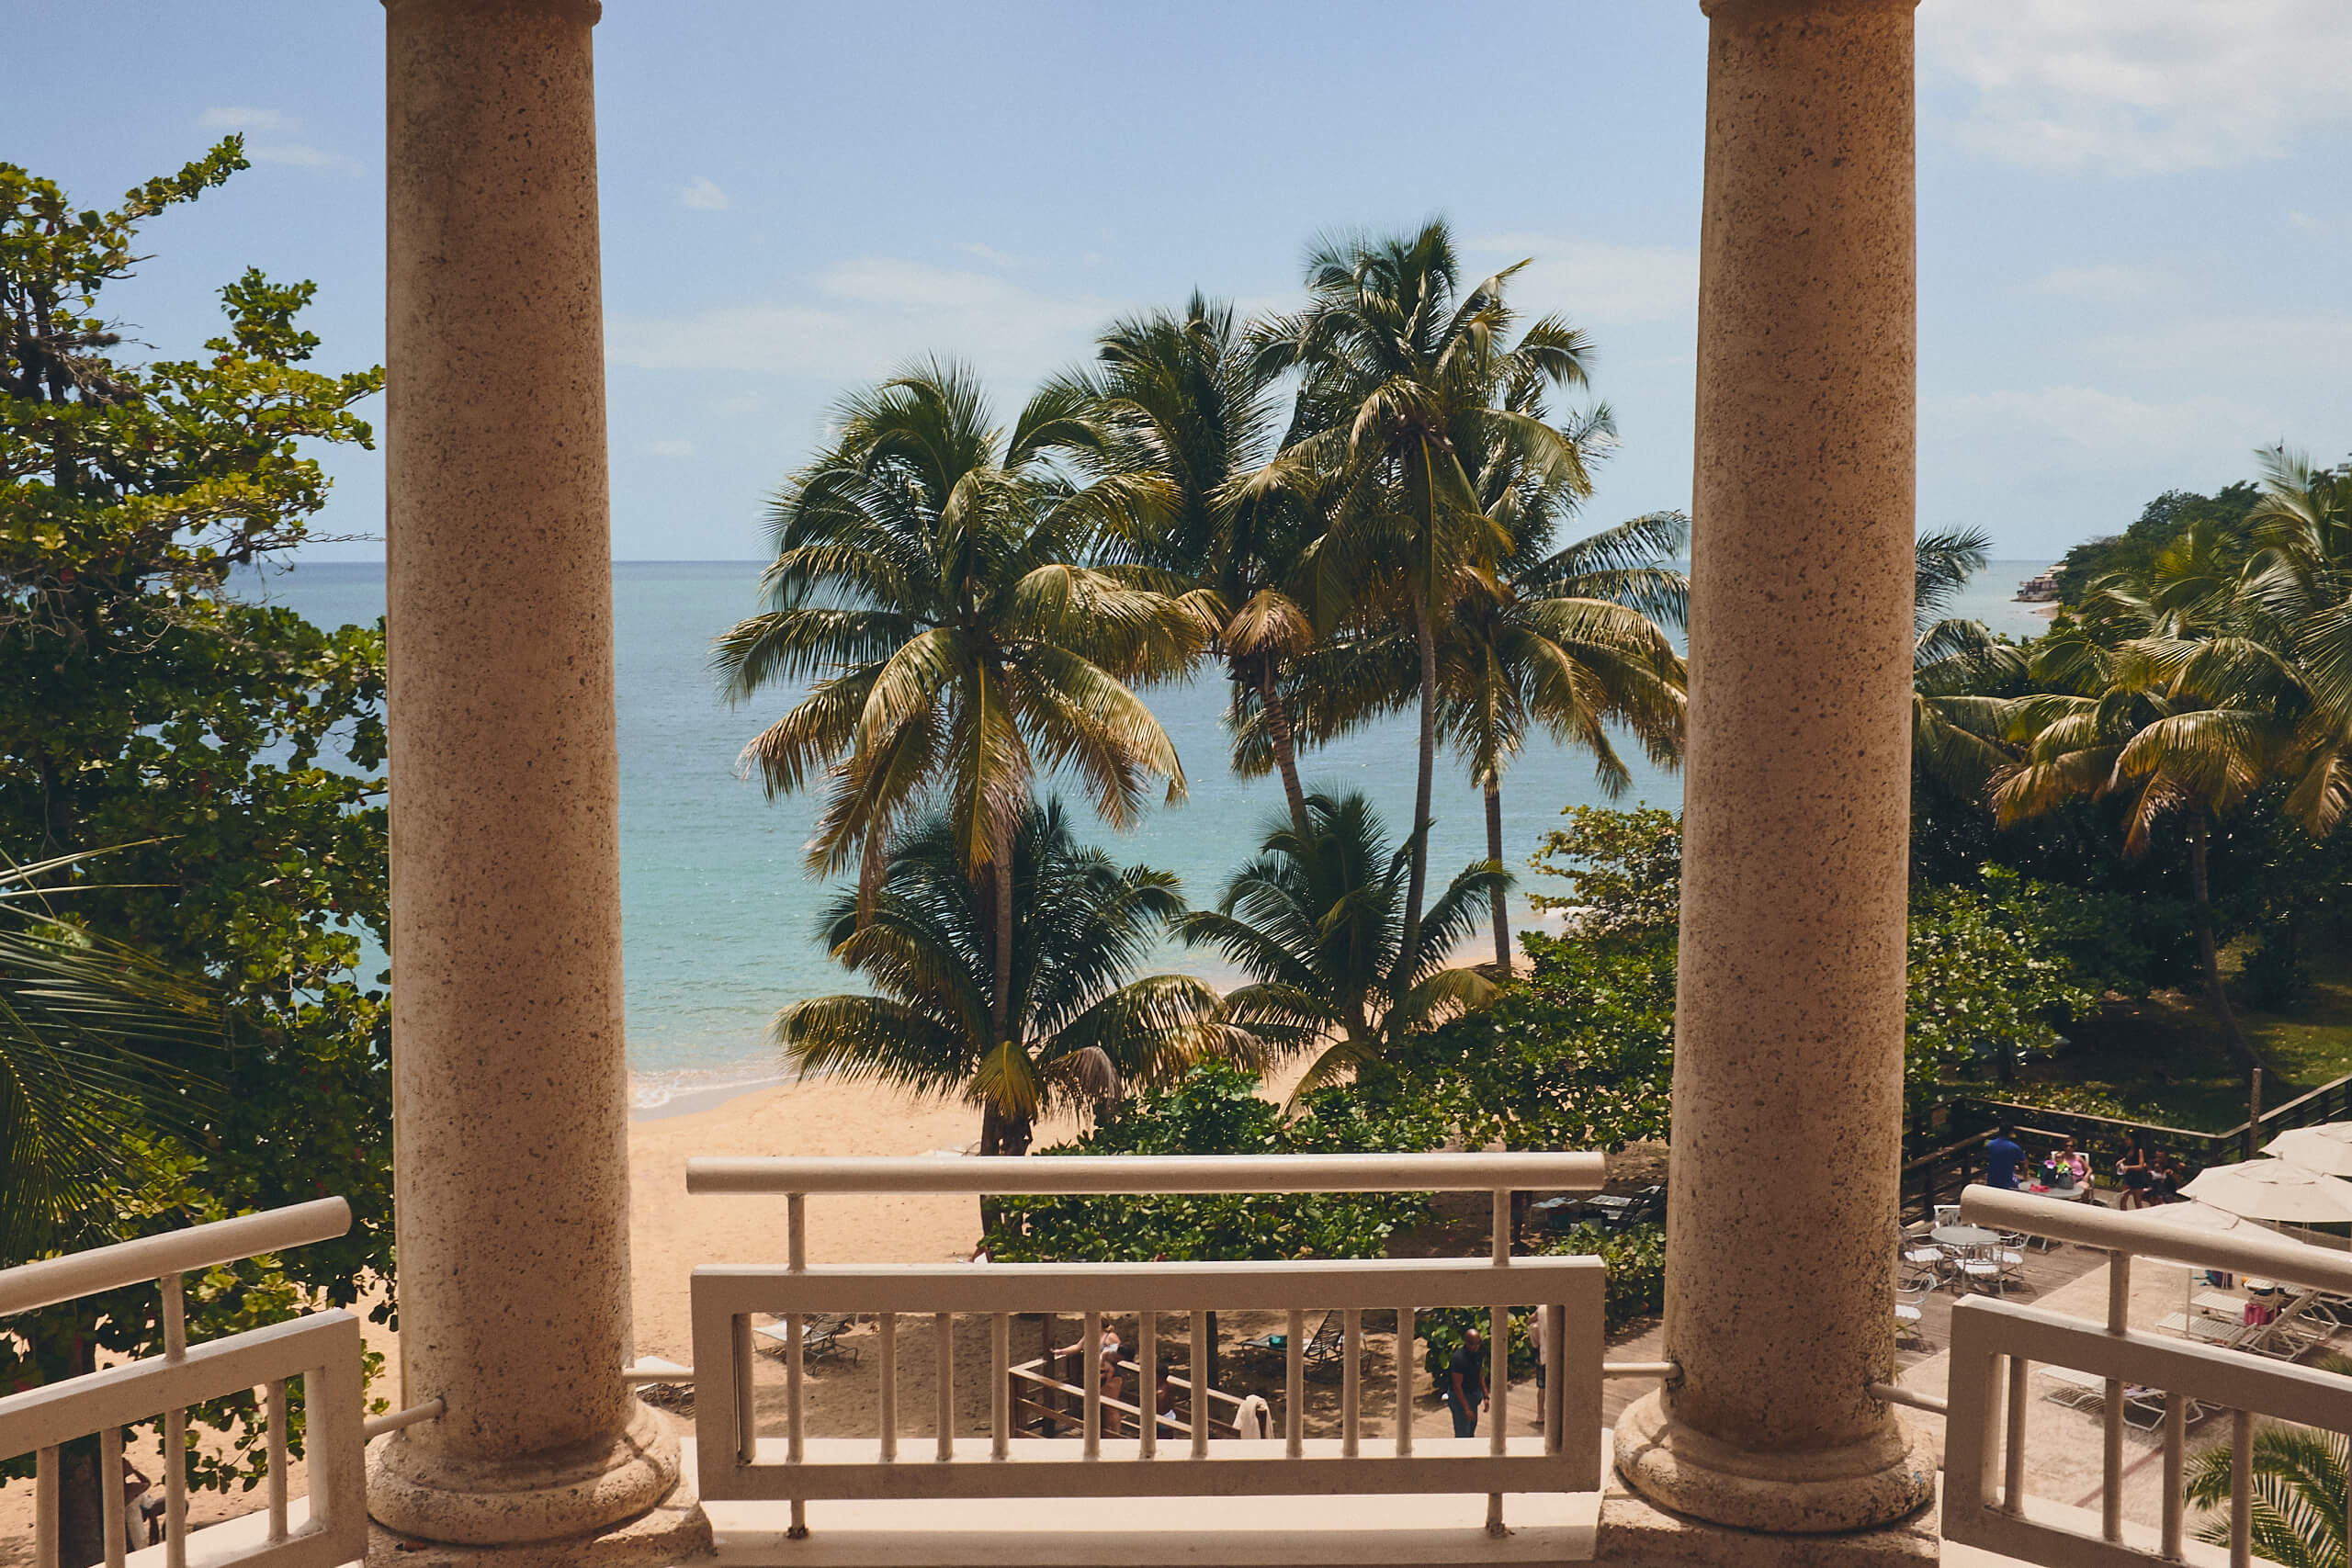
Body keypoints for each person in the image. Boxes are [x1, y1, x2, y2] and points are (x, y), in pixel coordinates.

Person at [1444, 1328, 1487, 1438]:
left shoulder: (1478, 1353)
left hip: (1473, 1395)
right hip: (1460, 1398)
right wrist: (1466, 1408)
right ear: (1466, 1342)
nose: (1476, 1346)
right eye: (1472, 1344)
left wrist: (1486, 1396)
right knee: (1462, 1433)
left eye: (1478, 1343)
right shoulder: (1459, 1359)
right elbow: (1457, 1386)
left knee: (1471, 1428)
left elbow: (1480, 1374)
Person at [2116, 1134, 2151, 1210]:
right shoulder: (2128, 1149)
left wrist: (2128, 1167)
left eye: (2128, 1139)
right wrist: (2121, 1161)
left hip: (2137, 1178)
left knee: (2137, 1201)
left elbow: (2141, 1166)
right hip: (2128, 1177)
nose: (2126, 1141)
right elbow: (2127, 1157)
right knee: (2123, 1198)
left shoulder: (2139, 1151)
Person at [1985, 1125, 2024, 1190]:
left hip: (1991, 1180)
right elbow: (2025, 1162)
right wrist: (2025, 1176)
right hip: (2007, 1183)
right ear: (2011, 1132)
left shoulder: (1990, 1144)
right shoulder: (2014, 1147)